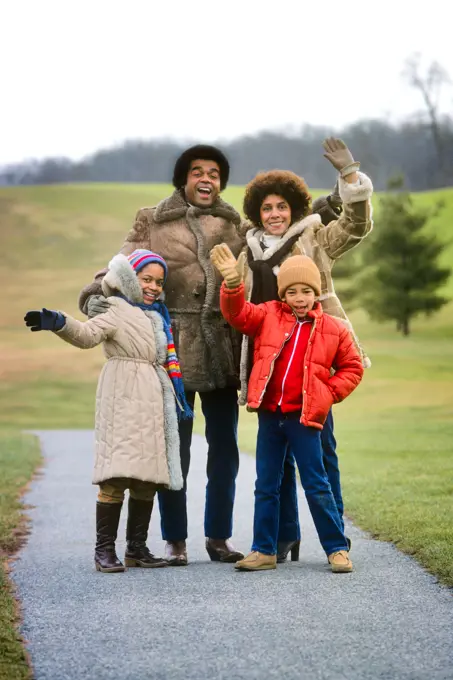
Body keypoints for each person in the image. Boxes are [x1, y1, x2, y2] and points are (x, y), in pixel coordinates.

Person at [78, 145, 246, 565]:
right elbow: (116, 268)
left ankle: (219, 538)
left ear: (221, 182)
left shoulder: (234, 223)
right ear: (183, 179)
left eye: (213, 173)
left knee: (225, 450)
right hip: (171, 349)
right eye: (196, 172)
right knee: (177, 451)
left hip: (223, 348)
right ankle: (175, 539)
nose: (205, 179)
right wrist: (96, 296)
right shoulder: (151, 219)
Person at [236, 138, 373, 563]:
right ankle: (281, 538)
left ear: (294, 209)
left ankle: (338, 543)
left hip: (315, 361)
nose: (275, 215)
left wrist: (350, 175)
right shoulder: (247, 252)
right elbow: (236, 307)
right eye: (266, 208)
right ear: (257, 213)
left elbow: (355, 225)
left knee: (321, 459)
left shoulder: (314, 238)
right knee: (274, 471)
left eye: (281, 207)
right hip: (269, 367)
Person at [24, 249, 192, 573]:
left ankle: (137, 548)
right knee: (116, 476)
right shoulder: (115, 308)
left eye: (159, 282)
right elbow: (87, 335)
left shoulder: (158, 317)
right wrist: (60, 322)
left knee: (146, 477)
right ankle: (104, 550)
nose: (154, 287)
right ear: (130, 278)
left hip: (154, 400)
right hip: (123, 395)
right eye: (146, 279)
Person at [210, 246, 364, 572]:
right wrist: (233, 285)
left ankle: (336, 549)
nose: (299, 297)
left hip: (304, 418)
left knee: (316, 483)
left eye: (306, 291)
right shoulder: (267, 315)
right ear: (282, 294)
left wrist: (326, 393)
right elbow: (236, 314)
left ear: (316, 292)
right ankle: (263, 550)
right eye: (291, 291)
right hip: (270, 416)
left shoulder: (334, 329)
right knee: (266, 484)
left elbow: (353, 368)